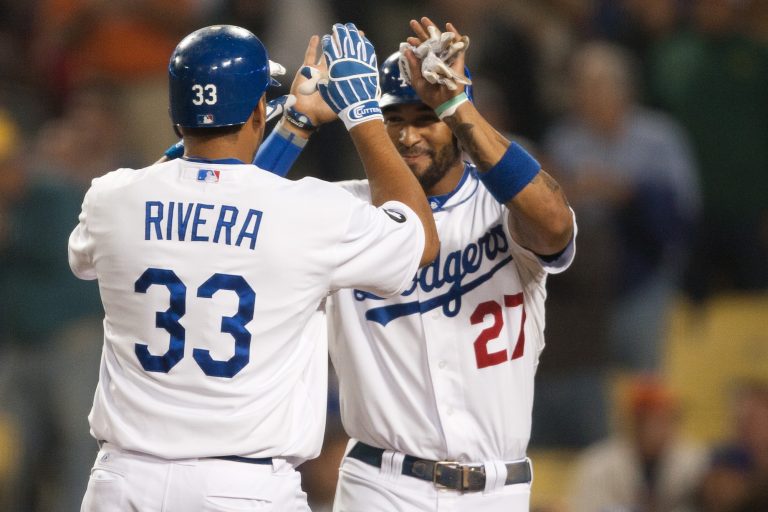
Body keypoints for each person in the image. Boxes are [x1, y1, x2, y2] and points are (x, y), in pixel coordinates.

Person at [68, 23, 438, 511]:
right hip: (241, 488)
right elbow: (420, 238)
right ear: (260, 110)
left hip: (124, 481)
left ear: (176, 114)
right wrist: (362, 114)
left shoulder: (111, 199)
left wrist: (292, 126)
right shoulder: (309, 212)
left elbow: (211, 196)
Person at [251, 16, 575, 511]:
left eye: (424, 117)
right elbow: (236, 224)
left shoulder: (502, 205)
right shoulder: (344, 211)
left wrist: (457, 103)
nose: (407, 136)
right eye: (393, 120)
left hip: (498, 488)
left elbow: (555, 224)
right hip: (383, 484)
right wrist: (296, 124)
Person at [566, 376, 707, 512]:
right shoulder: (598, 463)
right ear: (633, 422)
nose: (657, 426)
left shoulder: (695, 461)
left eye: (664, 418)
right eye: (648, 418)